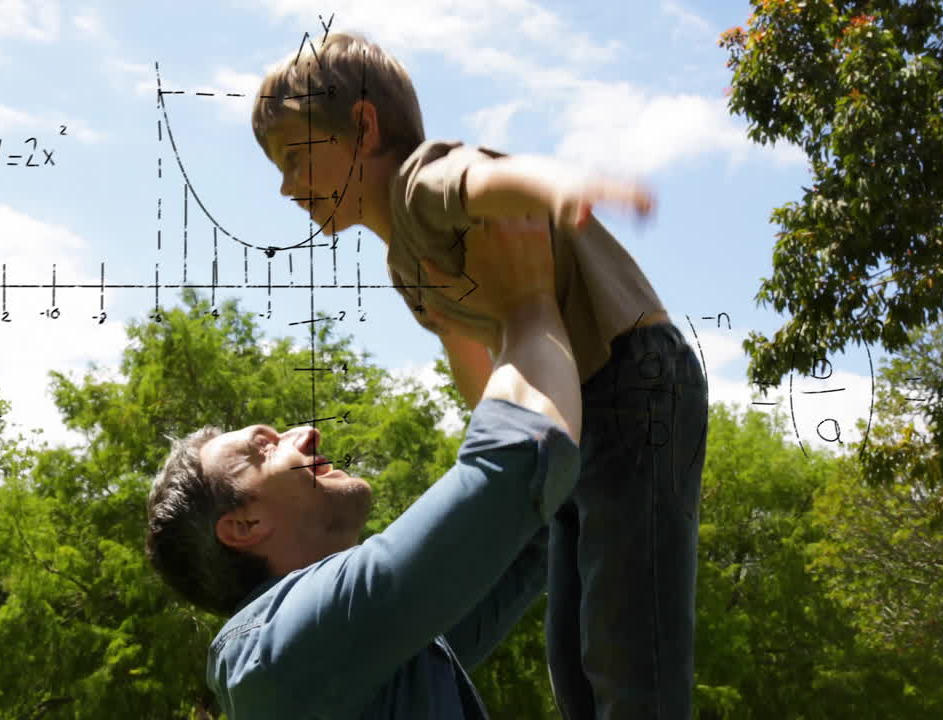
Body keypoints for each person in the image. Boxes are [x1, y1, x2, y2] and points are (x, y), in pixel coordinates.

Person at [250, 31, 708, 719]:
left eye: (295, 157)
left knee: (628, 638)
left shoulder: (417, 182)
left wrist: (562, 185)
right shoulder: (403, 266)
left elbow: (481, 181)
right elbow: (477, 369)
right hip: (575, 425)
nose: (286, 186)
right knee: (576, 656)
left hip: (631, 381)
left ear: (363, 126)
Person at [147, 216, 583, 718]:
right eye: (264, 448)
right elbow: (514, 466)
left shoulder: (360, 655)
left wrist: (453, 325)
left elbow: (523, 532)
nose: (306, 433)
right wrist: (528, 296)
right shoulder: (279, 653)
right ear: (243, 525)